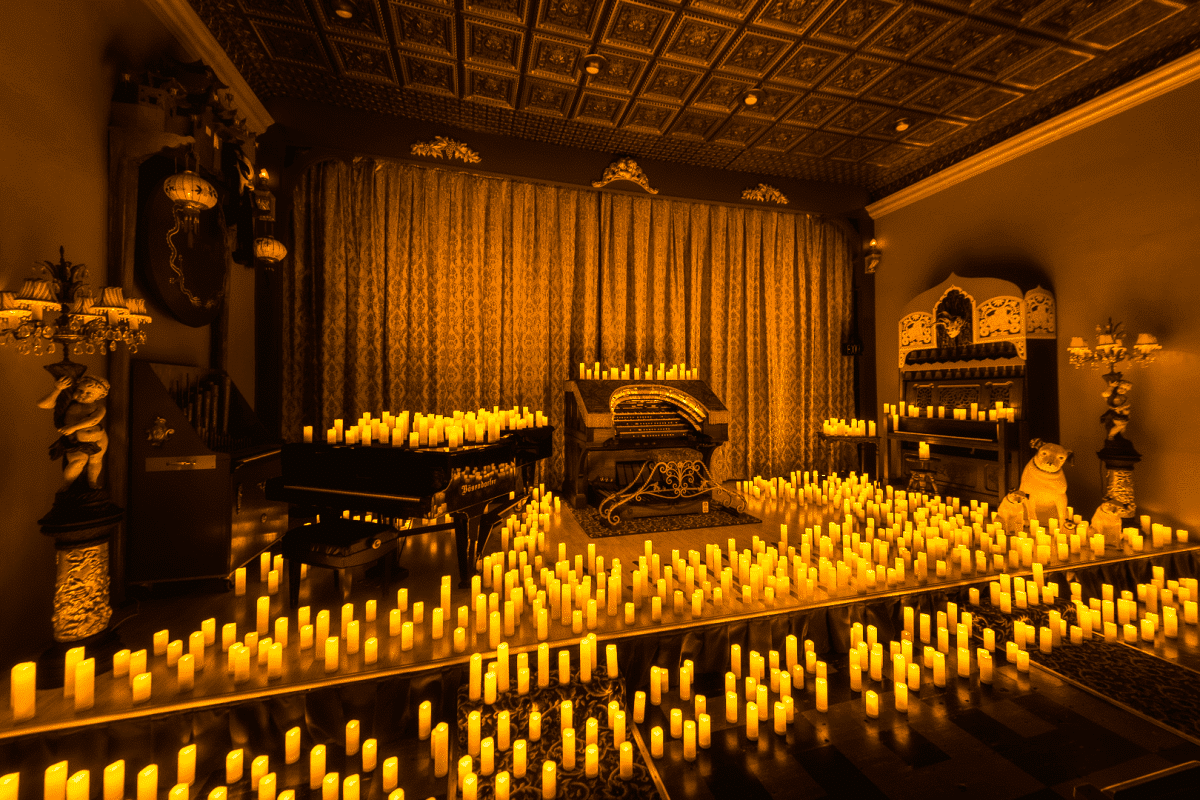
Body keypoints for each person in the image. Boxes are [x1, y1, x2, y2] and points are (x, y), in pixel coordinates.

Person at [38, 373, 110, 490]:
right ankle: (67, 484)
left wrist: (74, 427)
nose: (82, 395)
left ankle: (92, 482)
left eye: (89, 393)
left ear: (99, 396)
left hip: (99, 439)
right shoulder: (68, 404)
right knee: (78, 461)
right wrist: (57, 389)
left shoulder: (99, 407)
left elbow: (94, 420)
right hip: (75, 440)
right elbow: (43, 404)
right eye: (80, 390)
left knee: (95, 461)